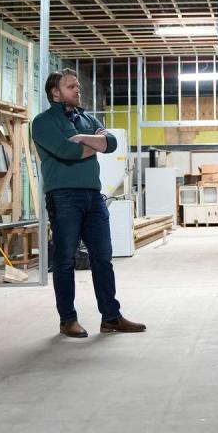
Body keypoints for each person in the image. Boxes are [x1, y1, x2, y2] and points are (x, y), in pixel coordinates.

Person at [32, 68, 146, 338]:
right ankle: (68, 319)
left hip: (93, 197)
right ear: (55, 92)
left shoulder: (87, 118)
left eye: (77, 86)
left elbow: (113, 142)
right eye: (71, 86)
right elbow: (66, 152)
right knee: (64, 260)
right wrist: (96, 144)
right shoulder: (43, 122)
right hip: (63, 197)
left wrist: (83, 138)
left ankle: (111, 317)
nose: (77, 90)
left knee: (103, 258)